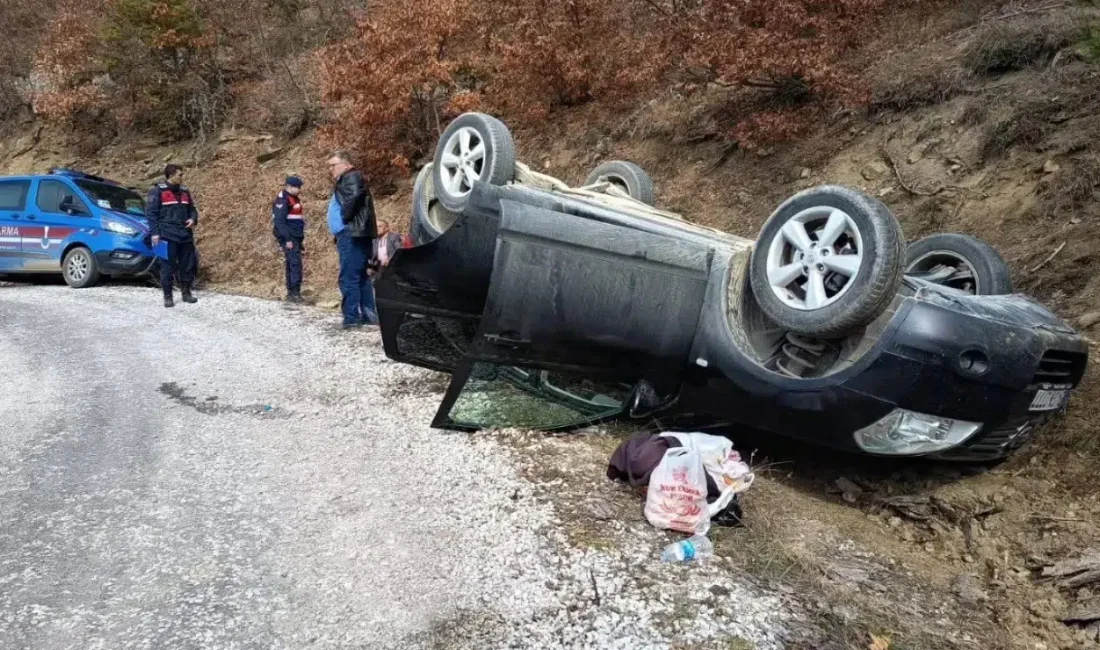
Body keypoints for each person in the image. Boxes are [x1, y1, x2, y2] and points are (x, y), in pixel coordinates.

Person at [327, 150, 378, 329]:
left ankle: (351, 318)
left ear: (346, 164)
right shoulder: (349, 177)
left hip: (351, 234)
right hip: (353, 233)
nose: (331, 169)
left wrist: (344, 217)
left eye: (333, 165)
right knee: (360, 275)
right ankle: (368, 315)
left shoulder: (351, 176)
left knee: (349, 277)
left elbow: (355, 196)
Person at [148, 164, 199, 308]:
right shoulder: (157, 191)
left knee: (187, 266)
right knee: (167, 268)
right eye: (180, 175)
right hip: (167, 235)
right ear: (171, 176)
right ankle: (168, 296)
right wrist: (155, 233)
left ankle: (186, 293)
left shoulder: (185, 191)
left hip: (185, 235)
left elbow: (192, 210)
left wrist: (193, 219)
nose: (182, 177)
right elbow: (151, 214)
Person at [272, 175, 306, 303]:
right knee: (295, 264)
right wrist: (288, 239)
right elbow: (280, 222)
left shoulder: (293, 198)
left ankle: (292, 292)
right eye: (297, 187)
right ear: (289, 187)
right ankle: (294, 293)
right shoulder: (283, 200)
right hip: (289, 237)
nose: (299, 189)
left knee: (292, 263)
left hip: (295, 237)